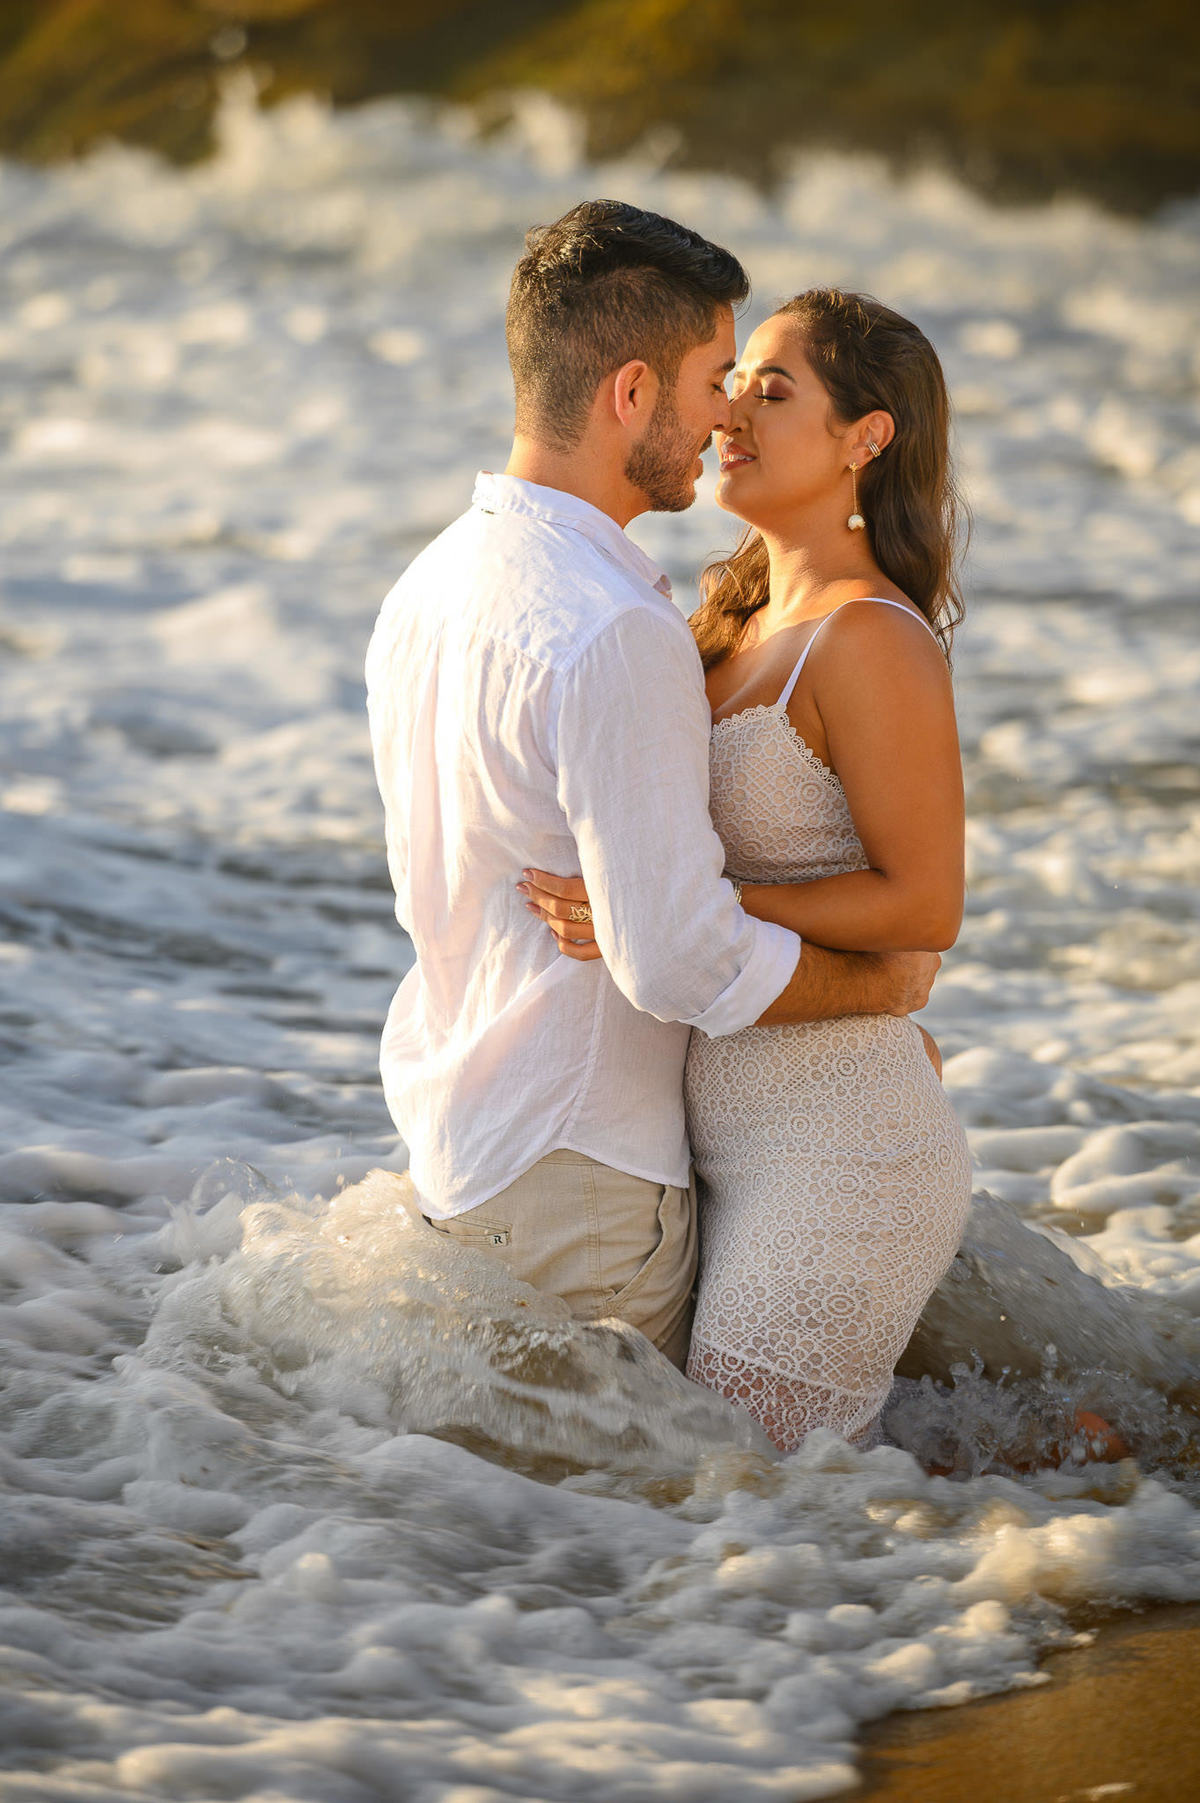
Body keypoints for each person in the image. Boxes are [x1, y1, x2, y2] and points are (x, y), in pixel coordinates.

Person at [365, 202, 939, 1372]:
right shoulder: (618, 626)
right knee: (689, 1532)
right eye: (712, 378)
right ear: (630, 393)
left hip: (463, 1139)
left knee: (539, 1538)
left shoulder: (432, 584)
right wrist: (874, 988)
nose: (723, 411)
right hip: (584, 1169)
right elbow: (677, 953)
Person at [524, 289, 973, 1449]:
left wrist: (674, 910)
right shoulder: (718, 629)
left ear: (866, 438)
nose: (729, 413)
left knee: (762, 1509)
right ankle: (1097, 1477)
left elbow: (925, 907)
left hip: (842, 1148)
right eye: (732, 386)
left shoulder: (869, 638)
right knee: (781, 1486)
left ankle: (1109, 1538)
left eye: (773, 392)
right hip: (714, 1142)